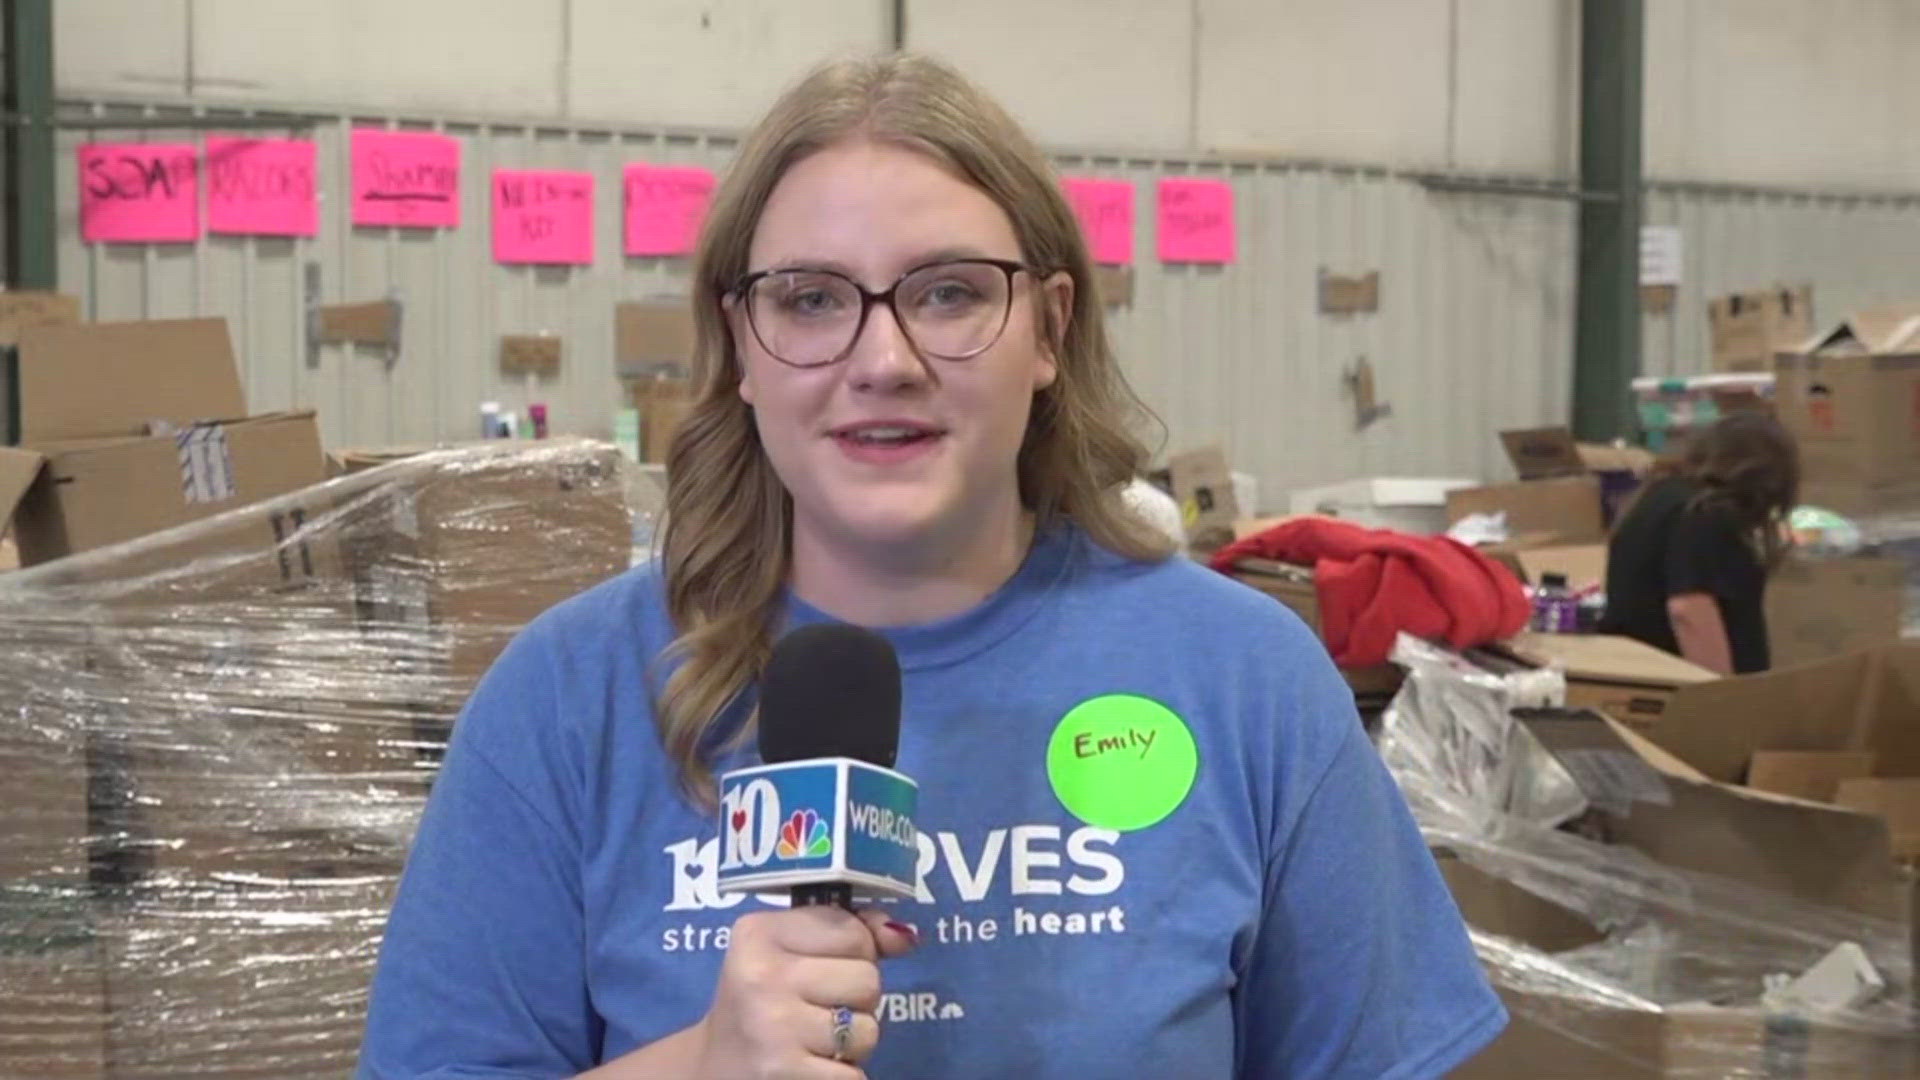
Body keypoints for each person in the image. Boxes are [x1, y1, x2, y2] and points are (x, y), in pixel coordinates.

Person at [357, 53, 1504, 1079]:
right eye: (810, 301)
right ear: (741, 349)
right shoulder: (570, 699)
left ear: (1050, 330)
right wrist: (701, 1066)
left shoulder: (1244, 679)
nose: (884, 359)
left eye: (948, 292)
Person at [1599, 412, 1800, 675]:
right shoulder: (1707, 514)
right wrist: (1720, 695)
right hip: (1677, 685)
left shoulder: (1660, 495)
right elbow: (1689, 609)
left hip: (1640, 672)